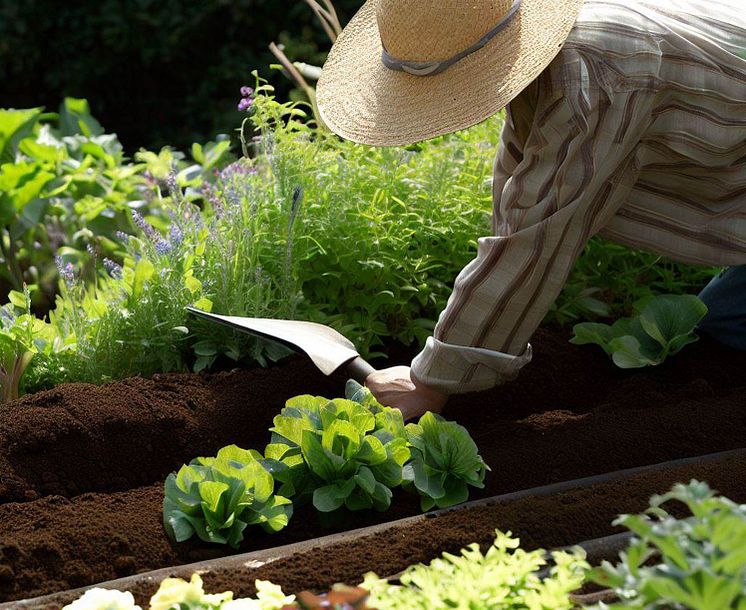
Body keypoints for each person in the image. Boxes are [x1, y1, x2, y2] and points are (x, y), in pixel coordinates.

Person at [316, 0, 746, 420]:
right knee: (719, 325)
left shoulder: (594, 74)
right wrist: (456, 345)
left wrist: (428, 384)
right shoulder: (551, 58)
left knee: (726, 331)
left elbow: (535, 235)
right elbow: (518, 194)